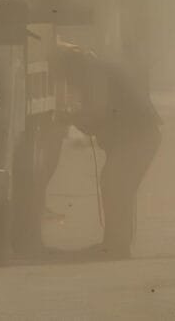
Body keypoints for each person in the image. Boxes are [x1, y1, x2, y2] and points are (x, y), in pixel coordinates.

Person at [53, 43, 162, 260]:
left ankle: (116, 245)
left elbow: (98, 111)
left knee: (115, 185)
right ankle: (115, 243)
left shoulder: (95, 72)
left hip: (138, 136)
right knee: (116, 186)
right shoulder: (98, 68)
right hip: (138, 136)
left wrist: (70, 117)